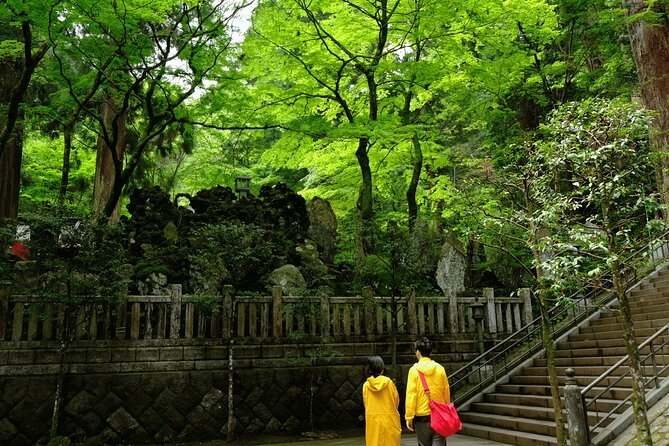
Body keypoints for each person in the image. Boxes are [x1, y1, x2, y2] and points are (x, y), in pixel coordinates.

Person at [405, 337, 451, 446]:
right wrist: (446, 411)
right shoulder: (440, 369)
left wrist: (409, 417)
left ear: (418, 352)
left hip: (422, 418)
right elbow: (446, 392)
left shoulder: (413, 371)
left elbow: (411, 395)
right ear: (430, 352)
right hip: (439, 415)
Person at [362, 355, 402, 446]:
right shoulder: (389, 383)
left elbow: (366, 404)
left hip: (373, 422)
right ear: (382, 369)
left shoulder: (366, 385)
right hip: (389, 420)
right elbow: (396, 401)